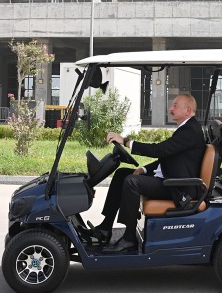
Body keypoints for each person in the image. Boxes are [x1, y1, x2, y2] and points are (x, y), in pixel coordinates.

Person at [87, 93, 205, 253]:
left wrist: (127, 142)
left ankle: (129, 238)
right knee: (122, 173)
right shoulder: (186, 128)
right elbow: (167, 156)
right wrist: (144, 169)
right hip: (170, 178)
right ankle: (105, 228)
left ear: (188, 110)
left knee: (132, 182)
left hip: (177, 187)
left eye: (175, 105)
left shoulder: (191, 131)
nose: (171, 108)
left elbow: (160, 150)